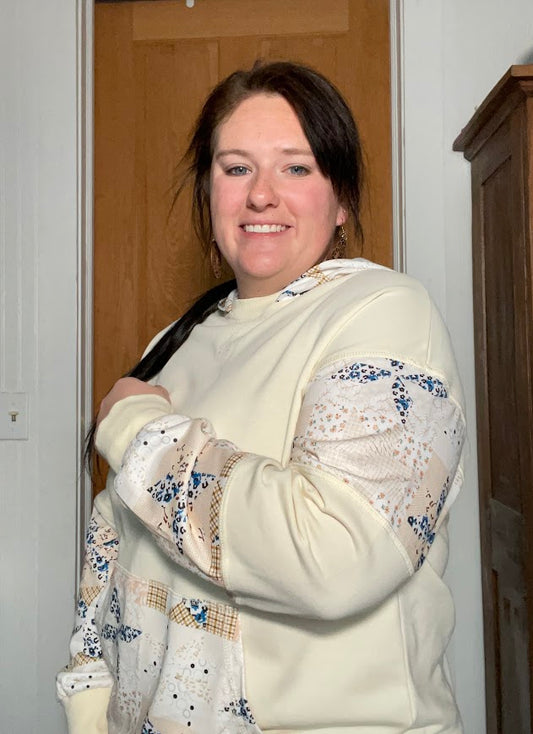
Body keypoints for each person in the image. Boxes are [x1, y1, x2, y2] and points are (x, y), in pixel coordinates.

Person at [57, 61, 466, 734]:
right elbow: (115, 541)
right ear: (208, 190)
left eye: (296, 168)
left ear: (341, 201)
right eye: (236, 168)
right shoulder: (176, 340)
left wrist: (133, 427)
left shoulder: (384, 312)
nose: (261, 195)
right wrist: (89, 699)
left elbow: (334, 560)